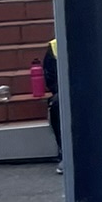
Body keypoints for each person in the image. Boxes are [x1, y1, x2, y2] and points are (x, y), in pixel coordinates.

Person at [42, 36, 61, 173]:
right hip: (66, 92)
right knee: (57, 103)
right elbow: (51, 80)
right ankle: (65, 152)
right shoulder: (54, 46)